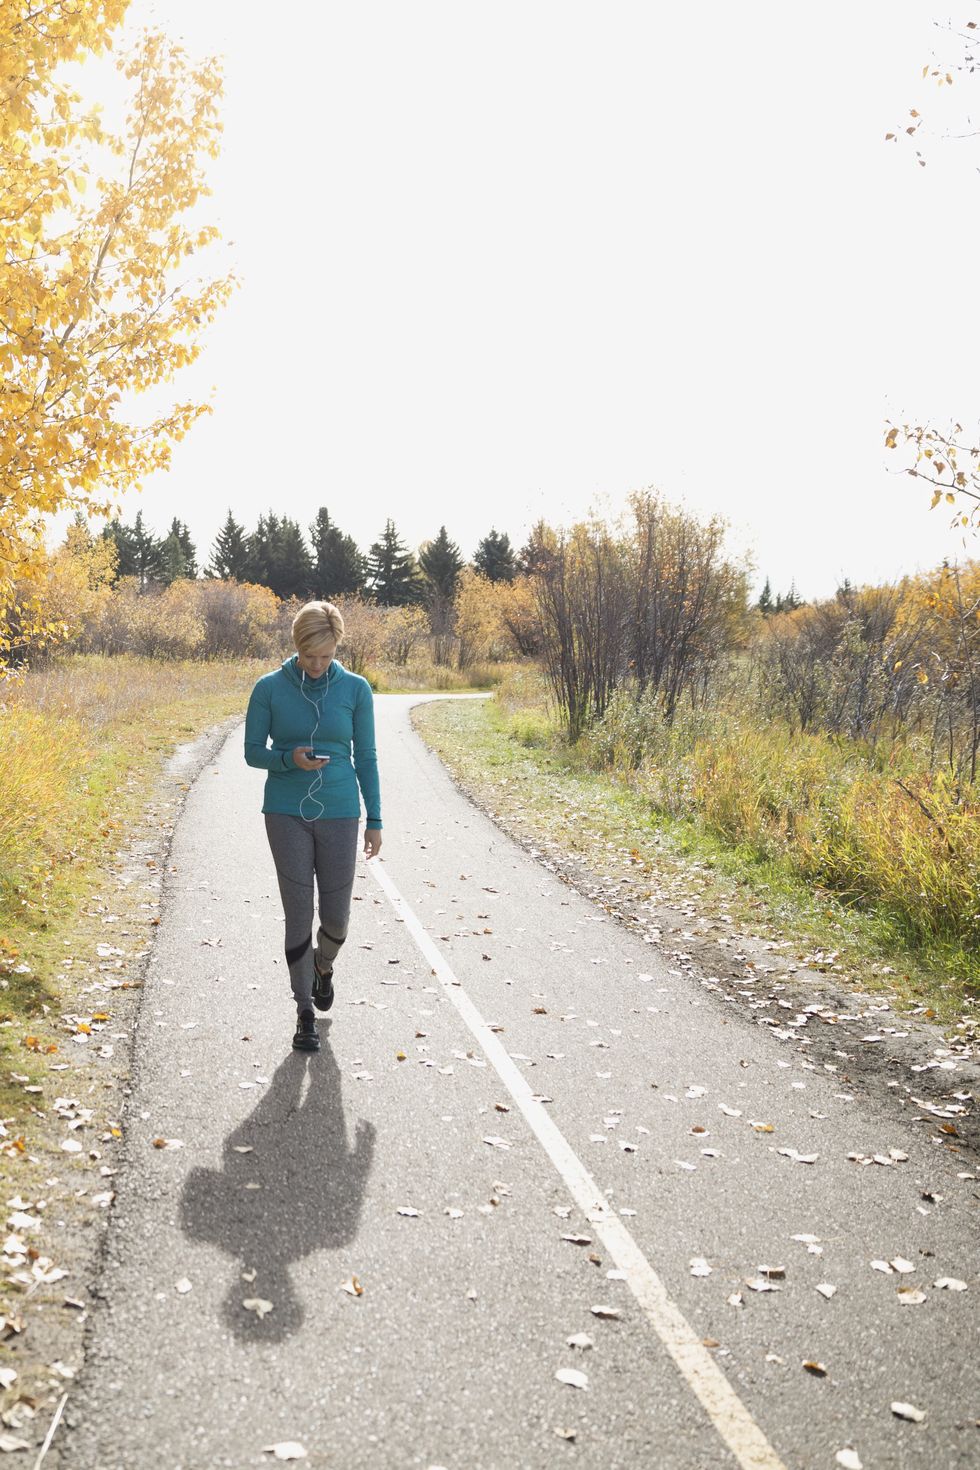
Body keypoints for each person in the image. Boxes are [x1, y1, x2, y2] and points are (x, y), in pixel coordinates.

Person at [244, 600, 382, 1052]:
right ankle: (303, 1010)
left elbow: (367, 756)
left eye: (326, 656)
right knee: (298, 914)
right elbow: (252, 752)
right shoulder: (268, 688)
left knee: (337, 919)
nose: (318, 665)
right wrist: (289, 759)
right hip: (285, 812)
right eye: (309, 657)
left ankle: (324, 966)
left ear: (337, 647)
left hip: (342, 811)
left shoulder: (357, 690)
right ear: (296, 647)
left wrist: (375, 819)